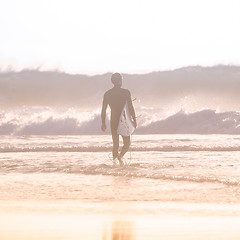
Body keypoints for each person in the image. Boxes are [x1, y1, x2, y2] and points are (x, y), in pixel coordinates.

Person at [101, 73, 137, 166]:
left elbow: (103, 110)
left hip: (113, 120)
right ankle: (120, 157)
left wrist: (103, 123)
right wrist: (134, 119)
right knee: (127, 143)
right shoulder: (125, 92)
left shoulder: (107, 94)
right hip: (123, 120)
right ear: (120, 80)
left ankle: (115, 164)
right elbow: (130, 107)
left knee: (115, 144)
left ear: (112, 81)